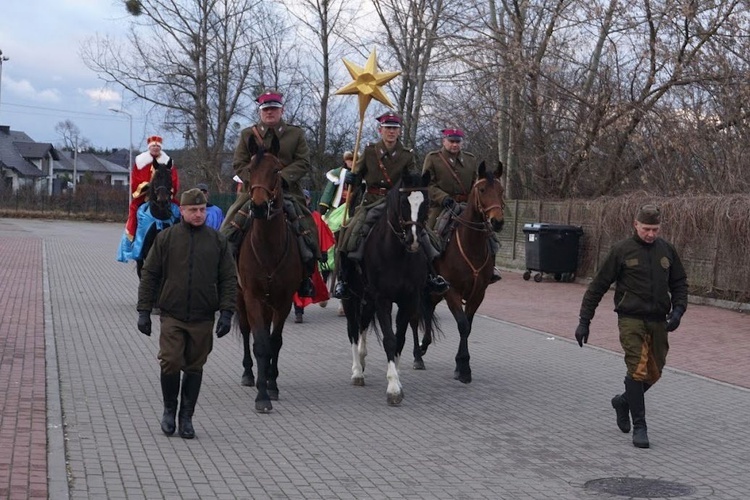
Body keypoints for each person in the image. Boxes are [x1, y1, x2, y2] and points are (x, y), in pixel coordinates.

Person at [574, 204, 688, 449]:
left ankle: (624, 401)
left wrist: (678, 310)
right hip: (630, 318)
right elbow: (597, 287)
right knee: (637, 368)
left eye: (655, 229)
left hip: (659, 320)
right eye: (646, 229)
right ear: (636, 225)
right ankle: (640, 426)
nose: (651, 234)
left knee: (654, 372)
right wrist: (584, 321)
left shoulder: (666, 250)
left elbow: (679, 282)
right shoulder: (621, 250)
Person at [137, 188, 237, 439]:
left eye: (202, 210)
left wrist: (226, 312)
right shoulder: (167, 238)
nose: (198, 214)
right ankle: (169, 410)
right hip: (172, 313)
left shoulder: (217, 241)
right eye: (193, 210)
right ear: (181, 210)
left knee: (194, 366)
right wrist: (144, 311)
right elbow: (150, 274)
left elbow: (228, 278)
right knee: (170, 361)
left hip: (203, 316)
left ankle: (186, 417)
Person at [333, 112, 448, 299]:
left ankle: (432, 277)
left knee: (425, 235)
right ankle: (344, 280)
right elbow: (359, 174)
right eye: (388, 128)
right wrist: (352, 177)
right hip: (372, 202)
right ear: (381, 130)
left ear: (399, 131)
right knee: (350, 232)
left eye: (394, 128)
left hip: (399, 204)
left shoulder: (407, 154)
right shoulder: (370, 151)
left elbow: (411, 179)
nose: (391, 132)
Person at [222, 90, 320, 298]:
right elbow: (239, 163)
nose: (270, 112)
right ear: (260, 112)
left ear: (281, 110)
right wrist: (258, 182)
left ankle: (306, 277)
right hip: (255, 191)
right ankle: (226, 276)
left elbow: (303, 162)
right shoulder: (248, 134)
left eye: (274, 109)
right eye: (266, 109)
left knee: (308, 230)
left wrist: (281, 178)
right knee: (228, 227)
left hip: (288, 191)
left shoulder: (295, 134)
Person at [422, 128, 502, 283]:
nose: (454, 145)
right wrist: (443, 197)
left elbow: (475, 184)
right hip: (441, 205)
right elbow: (427, 184)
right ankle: (427, 270)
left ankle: (490, 268)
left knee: (488, 233)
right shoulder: (433, 158)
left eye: (457, 142)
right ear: (443, 141)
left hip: (466, 204)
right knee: (429, 233)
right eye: (451, 141)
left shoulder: (470, 159)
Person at [292, 190, 336, 323]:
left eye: (305, 198)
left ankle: (299, 309)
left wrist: (322, 252)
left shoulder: (315, 216)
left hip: (308, 254)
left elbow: (322, 234)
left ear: (309, 200)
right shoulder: (289, 214)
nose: (303, 200)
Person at [125, 135, 180, 242]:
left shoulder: (168, 162)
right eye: (153, 146)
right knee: (135, 211)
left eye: (157, 146)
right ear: (149, 147)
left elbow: (174, 180)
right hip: (145, 195)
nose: (155, 148)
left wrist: (169, 191)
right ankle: (134, 240)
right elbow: (135, 180)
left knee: (179, 211)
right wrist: (148, 187)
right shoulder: (141, 162)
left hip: (165, 194)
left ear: (160, 147)